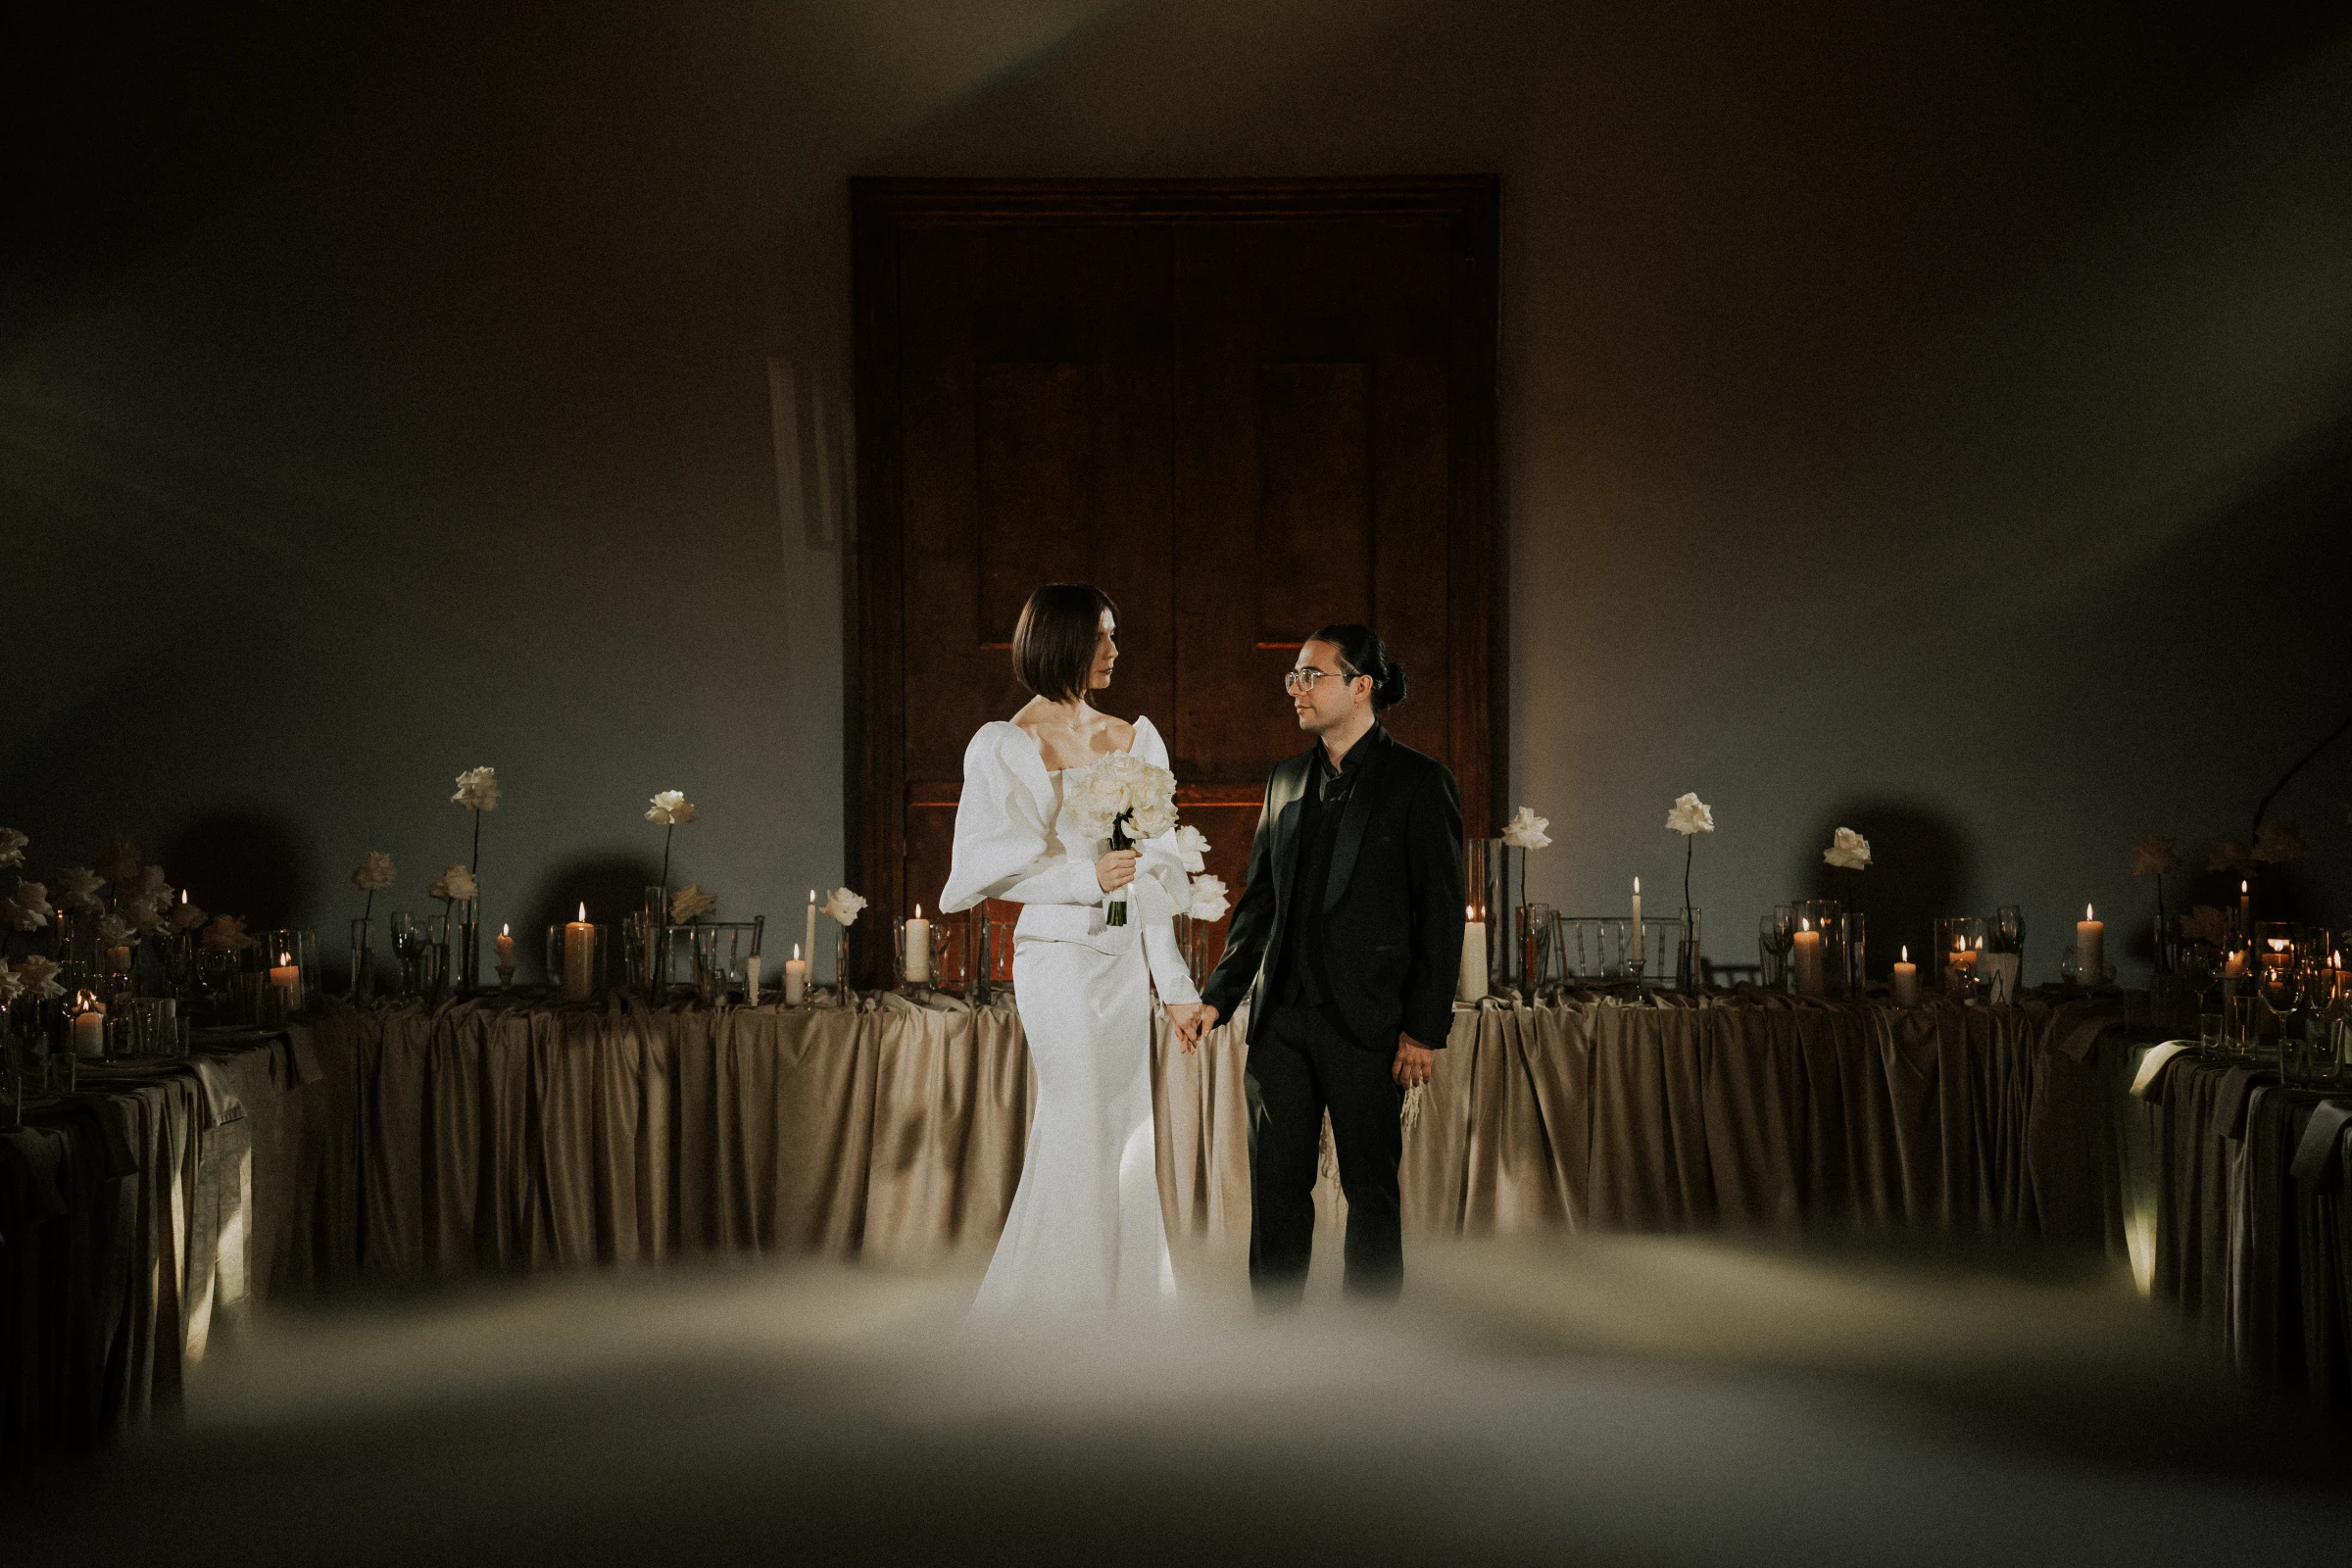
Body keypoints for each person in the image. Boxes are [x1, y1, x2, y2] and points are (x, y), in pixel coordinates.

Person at [939, 583, 1208, 1317]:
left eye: (1114, 635)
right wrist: (1085, 879)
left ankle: (1129, 1306)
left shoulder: (1134, 740)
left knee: (1126, 1125)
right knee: (1077, 1116)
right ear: (1061, 642)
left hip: (1122, 967)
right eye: (1100, 637)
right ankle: (1059, 1308)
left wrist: (1175, 988)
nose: (1115, 651)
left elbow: (1154, 876)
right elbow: (991, 873)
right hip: (1056, 960)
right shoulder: (1006, 745)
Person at [1192, 624, 1463, 1302]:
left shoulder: (1419, 781)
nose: (1297, 689)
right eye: (1294, 676)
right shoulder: (1285, 779)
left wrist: (1424, 1029)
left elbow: (1439, 916)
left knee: (1371, 1189)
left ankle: (1369, 1339)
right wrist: (1219, 997)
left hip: (1369, 1023)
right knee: (1276, 1187)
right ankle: (1275, 1333)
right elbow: (1259, 903)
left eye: (1312, 675)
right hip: (1281, 1021)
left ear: (1361, 685)